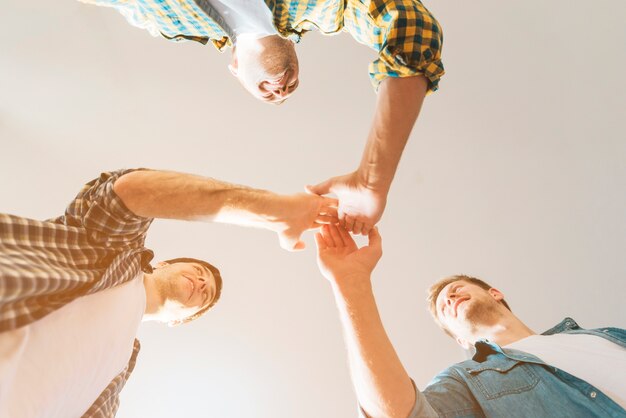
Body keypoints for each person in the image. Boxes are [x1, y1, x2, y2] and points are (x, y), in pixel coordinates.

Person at [80, 0, 444, 235]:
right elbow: (408, 26)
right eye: (289, 88)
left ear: (235, 67)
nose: (281, 90)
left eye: (268, 94)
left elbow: (413, 32)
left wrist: (371, 182)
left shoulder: (165, 20)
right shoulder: (320, 7)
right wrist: (370, 181)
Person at [0, 168, 337, 417]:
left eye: (206, 296)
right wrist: (274, 211)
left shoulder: (117, 374)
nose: (203, 284)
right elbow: (128, 193)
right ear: (162, 264)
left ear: (179, 322)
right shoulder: (115, 251)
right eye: (201, 273)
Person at [314, 223, 626, 418]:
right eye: (443, 306)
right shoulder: (467, 380)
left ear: (495, 293)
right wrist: (351, 283)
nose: (449, 298)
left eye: (454, 290)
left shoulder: (601, 335)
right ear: (460, 340)